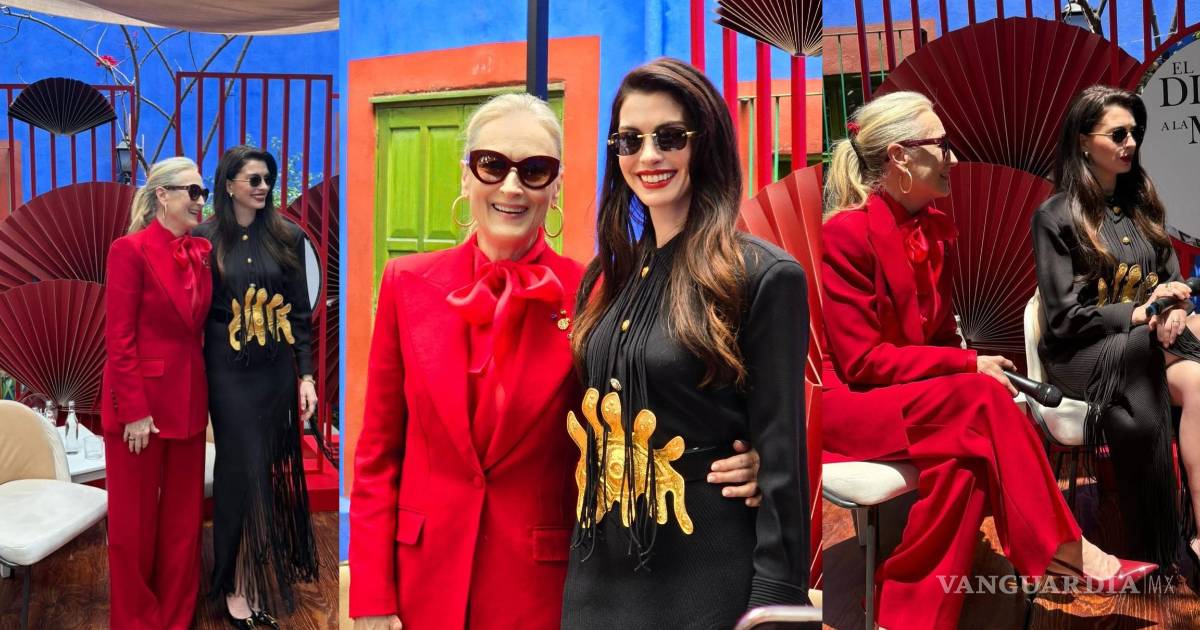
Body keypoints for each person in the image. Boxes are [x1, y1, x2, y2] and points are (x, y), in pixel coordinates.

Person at [348, 92, 761, 630]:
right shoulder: (406, 284)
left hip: (542, 589)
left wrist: (739, 461)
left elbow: (650, 419)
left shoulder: (601, 293)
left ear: (557, 185)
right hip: (421, 583)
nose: (511, 187)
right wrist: (372, 597)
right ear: (466, 176)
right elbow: (378, 454)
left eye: (534, 170)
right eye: (492, 165)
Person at [821, 90, 1155, 630]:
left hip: (918, 399)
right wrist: (966, 366)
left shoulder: (935, 231)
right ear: (900, 156)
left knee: (967, 466)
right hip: (857, 407)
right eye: (941, 145)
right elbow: (861, 362)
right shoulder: (845, 234)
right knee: (980, 395)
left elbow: (935, 340)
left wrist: (969, 361)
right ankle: (1068, 548)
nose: (953, 158)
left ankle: (906, 615)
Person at [560, 58, 809, 630]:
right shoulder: (606, 278)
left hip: (705, 570)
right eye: (630, 140)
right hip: (598, 569)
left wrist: (774, 604)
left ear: (706, 143)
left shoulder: (759, 276)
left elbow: (782, 464)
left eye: (670, 137)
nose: (648, 156)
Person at [1033, 84, 1200, 573]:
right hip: (1082, 353)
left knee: (1196, 379)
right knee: (1160, 352)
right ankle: (1160, 541)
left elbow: (1171, 281)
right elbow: (1062, 318)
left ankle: (1198, 536)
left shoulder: (1143, 203)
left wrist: (1173, 309)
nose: (1131, 143)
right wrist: (1139, 315)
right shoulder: (1055, 215)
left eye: (1135, 132)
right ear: (1083, 141)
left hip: (1152, 346)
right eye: (1118, 134)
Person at [194, 144, 319, 628]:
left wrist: (305, 375)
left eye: (267, 178)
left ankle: (248, 573)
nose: (264, 186)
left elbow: (300, 313)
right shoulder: (203, 240)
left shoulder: (287, 236)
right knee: (238, 470)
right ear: (229, 185)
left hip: (273, 372)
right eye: (253, 179)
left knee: (261, 473)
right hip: (225, 371)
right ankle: (232, 581)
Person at [102, 157, 212, 630]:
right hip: (139, 409)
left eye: (204, 192)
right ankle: (136, 620)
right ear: (163, 195)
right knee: (134, 525)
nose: (200, 200)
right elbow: (119, 337)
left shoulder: (203, 252)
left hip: (189, 402)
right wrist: (134, 411)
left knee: (184, 522)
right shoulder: (128, 251)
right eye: (192, 191)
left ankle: (176, 616)